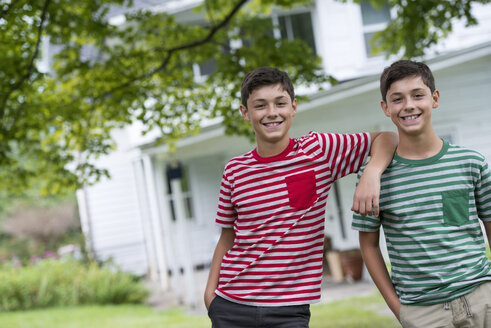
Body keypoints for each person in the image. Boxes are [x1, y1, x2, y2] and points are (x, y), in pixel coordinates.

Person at [204, 66, 398, 328]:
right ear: (245, 113)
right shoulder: (235, 170)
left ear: (293, 107)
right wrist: (211, 294)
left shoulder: (319, 151)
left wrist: (371, 174)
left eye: (280, 103)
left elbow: (387, 138)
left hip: (289, 311)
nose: (272, 112)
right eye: (260, 105)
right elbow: (228, 235)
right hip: (231, 305)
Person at [352, 60, 491, 328]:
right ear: (386, 108)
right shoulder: (373, 179)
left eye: (418, 95)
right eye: (397, 99)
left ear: (434, 99)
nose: (409, 105)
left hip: (483, 298)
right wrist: (400, 309)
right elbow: (368, 246)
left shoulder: (471, 163)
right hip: (422, 312)